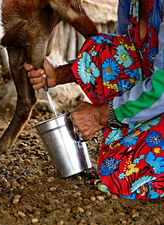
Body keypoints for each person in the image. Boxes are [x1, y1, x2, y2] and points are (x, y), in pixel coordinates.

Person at [25, 0, 164, 200]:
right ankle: (136, 137)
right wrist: (59, 74)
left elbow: (161, 87)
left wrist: (101, 115)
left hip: (160, 94)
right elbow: (123, 53)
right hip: (155, 100)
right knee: (100, 51)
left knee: (119, 177)